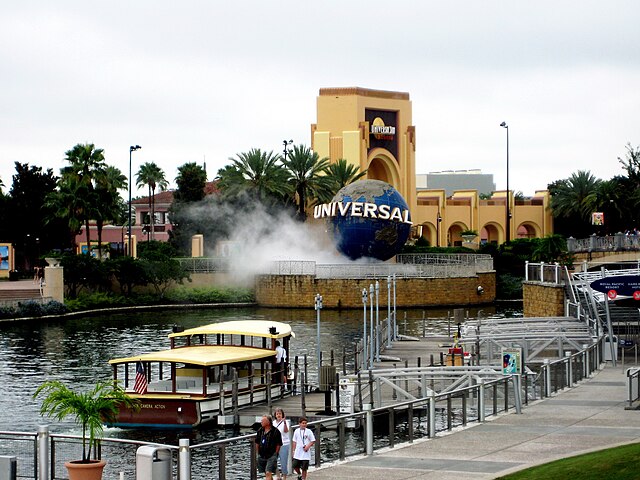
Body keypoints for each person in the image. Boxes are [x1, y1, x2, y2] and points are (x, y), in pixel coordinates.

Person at [255, 414, 282, 480]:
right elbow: (257, 442)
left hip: (271, 455)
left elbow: (279, 444)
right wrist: (258, 453)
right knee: (266, 472)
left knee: (268, 472)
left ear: (268, 422)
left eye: (263, 421)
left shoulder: (275, 431)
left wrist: (275, 453)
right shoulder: (260, 431)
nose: (261, 422)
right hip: (262, 455)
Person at [274, 408, 290, 480]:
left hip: (284, 444)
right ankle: (278, 475)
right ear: (275, 415)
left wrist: (284, 423)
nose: (278, 415)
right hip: (275, 444)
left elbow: (286, 431)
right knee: (273, 461)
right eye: (277, 414)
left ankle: (284, 477)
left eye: (280, 413)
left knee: (283, 461)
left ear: (282, 414)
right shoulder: (273, 423)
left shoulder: (286, 422)